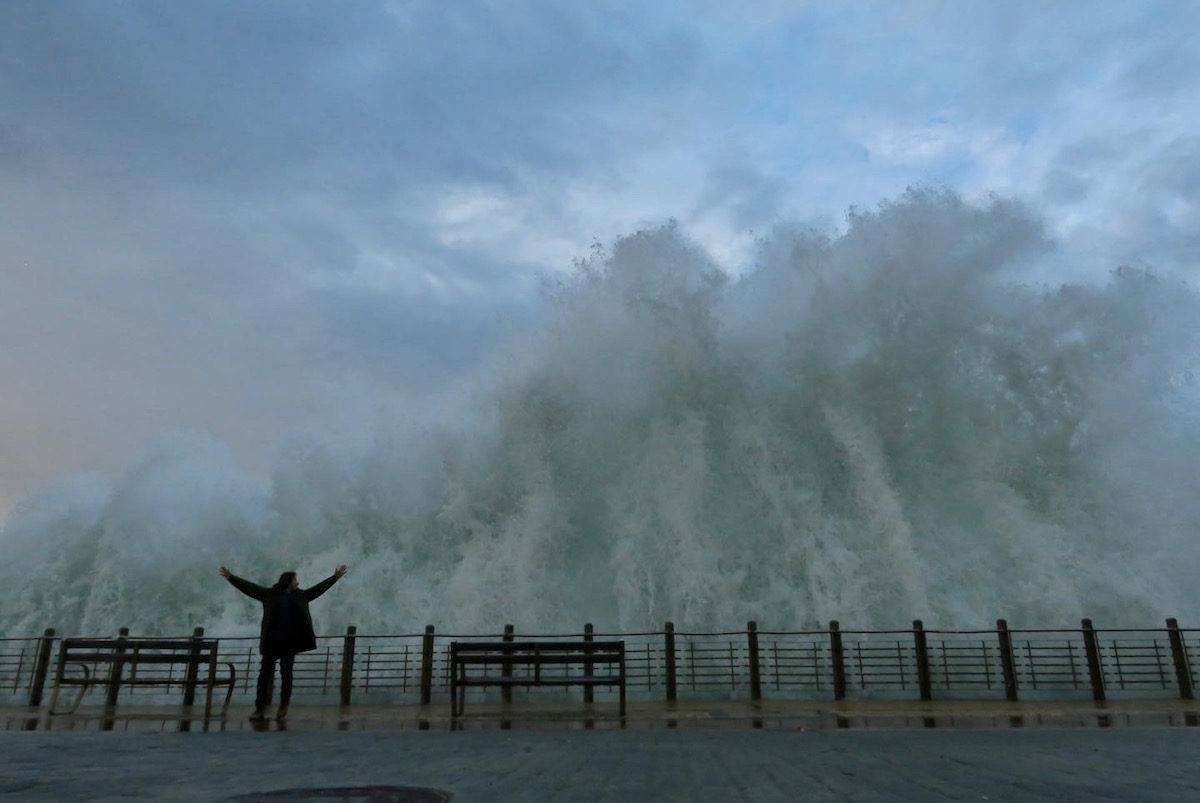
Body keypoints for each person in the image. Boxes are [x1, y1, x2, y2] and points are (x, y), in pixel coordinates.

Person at [219, 564, 348, 721]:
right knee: (264, 675)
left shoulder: (300, 595)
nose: (298, 582)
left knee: (286, 674)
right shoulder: (270, 594)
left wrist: (334, 578)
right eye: (295, 579)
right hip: (271, 641)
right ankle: (259, 708)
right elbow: (249, 588)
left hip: (290, 642)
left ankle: (283, 705)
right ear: (288, 581)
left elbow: (317, 590)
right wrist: (231, 577)